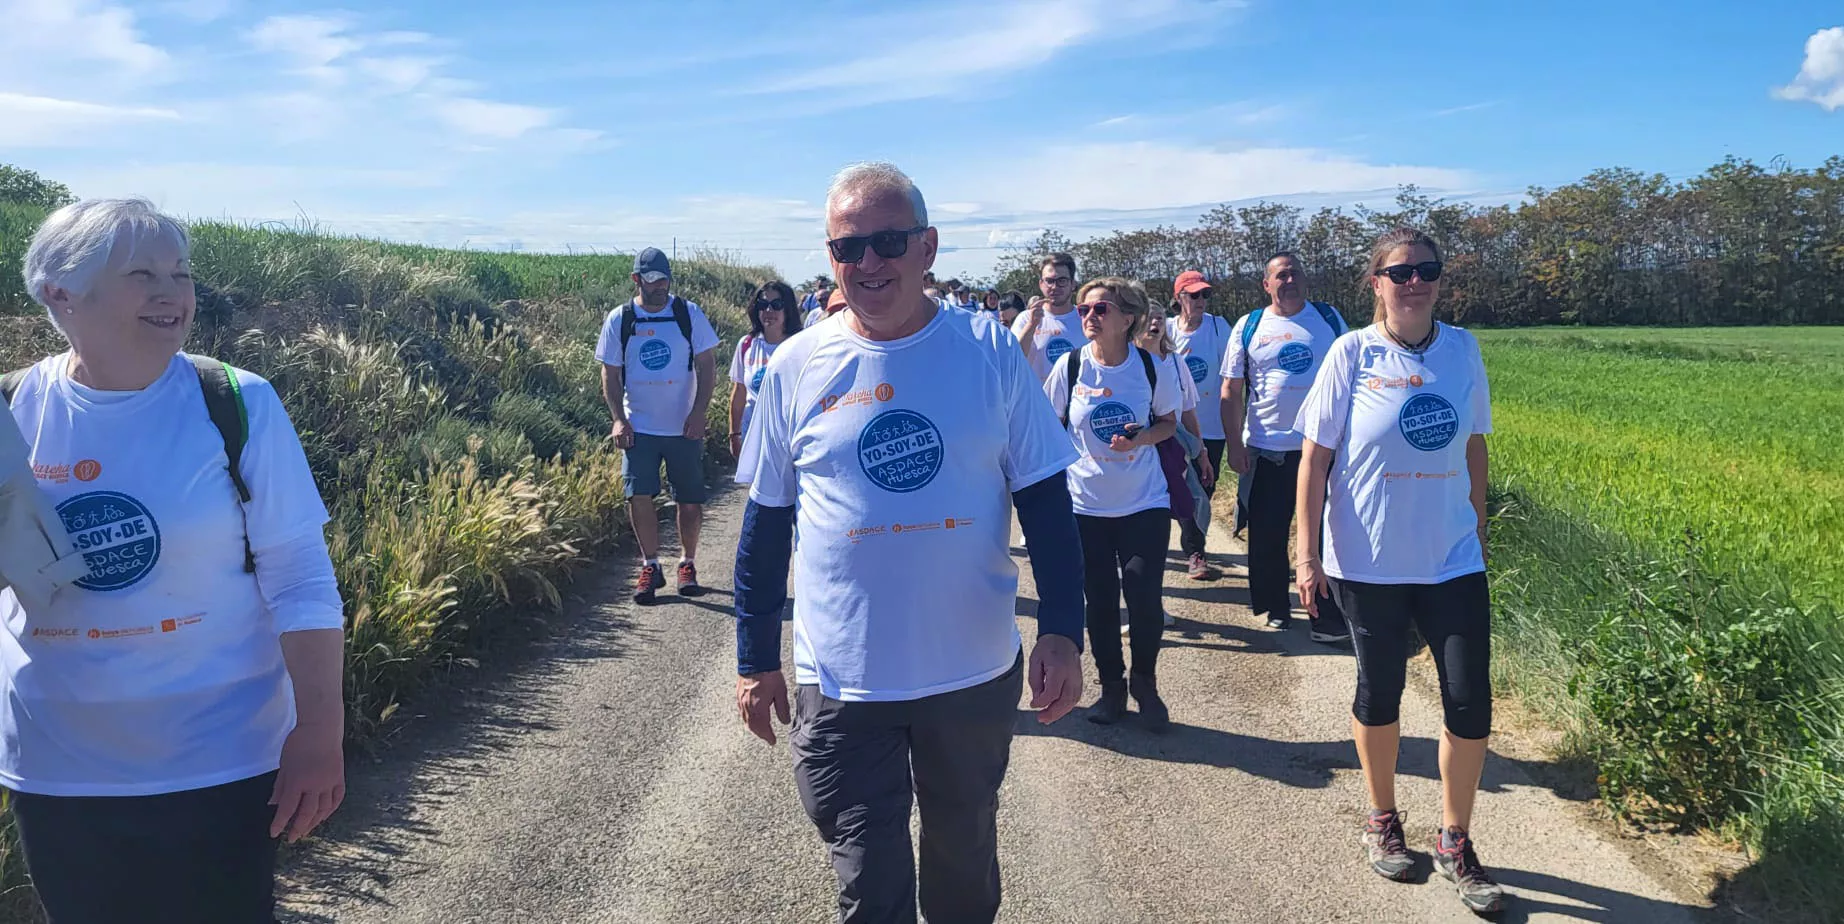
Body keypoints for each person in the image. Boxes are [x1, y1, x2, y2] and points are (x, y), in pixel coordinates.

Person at [734, 162, 1086, 924]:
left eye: (887, 242)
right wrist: (753, 659)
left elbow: (1047, 503)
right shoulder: (794, 368)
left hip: (968, 673)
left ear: (928, 247)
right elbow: (765, 525)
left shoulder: (989, 352)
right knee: (868, 885)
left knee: (962, 870)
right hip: (841, 680)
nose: (867, 264)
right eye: (846, 248)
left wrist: (1063, 630)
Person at [2, 198, 346, 923]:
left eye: (181, 273)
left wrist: (320, 729)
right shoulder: (12, 413)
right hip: (57, 763)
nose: (174, 293)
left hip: (219, 753)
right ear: (61, 292)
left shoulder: (233, 402)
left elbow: (300, 576)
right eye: (142, 274)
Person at [1294, 228, 1505, 915]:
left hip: (1452, 559)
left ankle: (1454, 839)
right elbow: (1315, 459)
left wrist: (1475, 519)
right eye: (1399, 272)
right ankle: (1382, 817)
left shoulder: (1463, 350)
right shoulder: (1350, 354)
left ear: (1440, 280)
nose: (1414, 281)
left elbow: (1473, 443)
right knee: (1378, 693)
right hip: (1369, 561)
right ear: (1375, 283)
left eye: (1426, 270)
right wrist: (1308, 552)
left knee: (1470, 705)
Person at [1043, 277, 1180, 732]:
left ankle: (1146, 683)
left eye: (1100, 309)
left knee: (1143, 597)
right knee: (1099, 602)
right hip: (1085, 506)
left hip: (1144, 502)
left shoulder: (1150, 365)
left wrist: (1140, 438)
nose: (1089, 317)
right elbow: (1047, 429)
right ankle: (1111, 688)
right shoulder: (1070, 366)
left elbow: (1167, 423)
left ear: (1128, 318)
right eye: (1084, 309)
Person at [1221, 253, 1351, 641]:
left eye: (1296, 272)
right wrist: (1233, 445)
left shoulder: (1329, 319)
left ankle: (1326, 618)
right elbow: (1231, 389)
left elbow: (1353, 376)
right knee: (1266, 535)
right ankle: (1275, 607)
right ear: (1267, 284)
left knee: (1328, 535)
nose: (1290, 280)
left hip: (1324, 448)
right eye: (1281, 275)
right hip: (1267, 448)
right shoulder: (1250, 325)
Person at [597, 246, 721, 605]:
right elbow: (610, 372)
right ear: (636, 280)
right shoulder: (620, 319)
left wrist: (699, 413)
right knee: (639, 496)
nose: (659, 287)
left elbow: (707, 365)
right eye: (651, 280)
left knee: (690, 501)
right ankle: (650, 564)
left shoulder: (688, 314)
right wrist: (618, 420)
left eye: (664, 279)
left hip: (682, 426)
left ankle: (688, 563)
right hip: (640, 426)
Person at [1134, 311, 1214, 631]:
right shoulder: (1122, 364)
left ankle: (1155, 600)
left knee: (1170, 520)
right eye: (1147, 318)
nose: (1154, 324)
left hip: (1170, 452)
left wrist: (1202, 452)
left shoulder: (1176, 363)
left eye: (1158, 318)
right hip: (1134, 460)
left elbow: (1189, 411)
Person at [1169, 271, 1233, 580]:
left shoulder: (1219, 328)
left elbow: (1235, 374)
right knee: (1184, 490)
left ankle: (1195, 545)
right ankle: (1195, 552)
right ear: (1178, 298)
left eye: (1204, 295)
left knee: (1205, 490)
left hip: (1212, 427)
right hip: (1174, 428)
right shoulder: (1167, 331)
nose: (1200, 301)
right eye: (1193, 295)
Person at [729, 280, 804, 468]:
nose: (769, 311)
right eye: (763, 305)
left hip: (792, 439)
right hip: (755, 439)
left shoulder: (802, 345)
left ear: (788, 309)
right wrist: (734, 434)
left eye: (777, 305)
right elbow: (739, 391)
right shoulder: (746, 344)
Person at [1011, 253, 1080, 383]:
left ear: (1073, 284)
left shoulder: (1085, 318)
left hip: (1076, 400)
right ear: (1041, 284)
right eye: (1049, 281)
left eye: (1062, 281)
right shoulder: (1026, 318)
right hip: (1037, 400)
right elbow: (1013, 360)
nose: (1054, 287)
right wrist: (1032, 325)